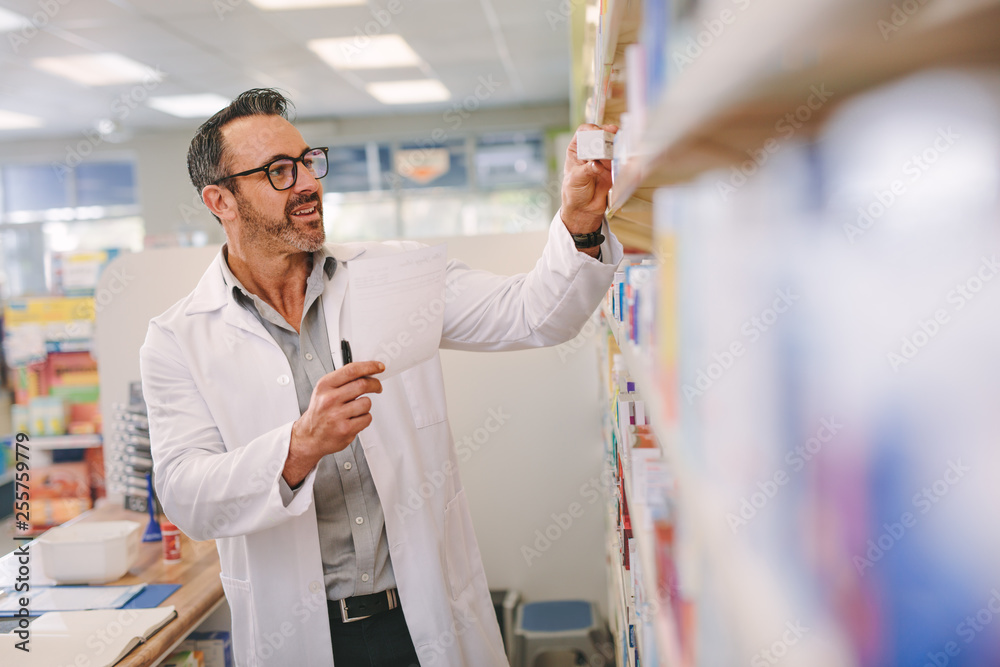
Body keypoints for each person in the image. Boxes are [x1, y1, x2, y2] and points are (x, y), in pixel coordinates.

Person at [140, 88, 622, 667]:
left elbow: (534, 315)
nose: (307, 184)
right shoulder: (178, 338)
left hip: (421, 626)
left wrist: (580, 220)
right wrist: (299, 447)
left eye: (308, 162)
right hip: (302, 637)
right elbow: (186, 497)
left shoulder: (395, 276)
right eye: (278, 172)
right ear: (221, 200)